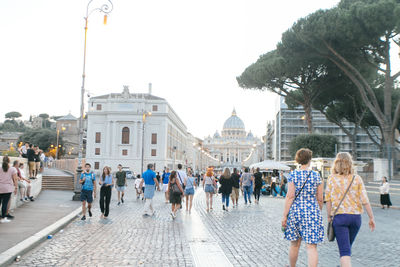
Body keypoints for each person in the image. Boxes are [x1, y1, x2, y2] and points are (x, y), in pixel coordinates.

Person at [325, 152, 375, 267]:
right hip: (355, 218)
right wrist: (371, 217)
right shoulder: (357, 178)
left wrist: (329, 216)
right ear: (350, 163)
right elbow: (365, 200)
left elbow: (328, 200)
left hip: (340, 217)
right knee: (347, 247)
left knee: (345, 251)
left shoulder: (332, 179)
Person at [281, 148, 324, 267]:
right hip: (312, 211)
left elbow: (290, 196)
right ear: (309, 160)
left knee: (294, 244)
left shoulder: (293, 174)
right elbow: (320, 198)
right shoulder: (316, 175)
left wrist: (285, 215)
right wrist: (317, 210)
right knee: (311, 247)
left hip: (296, 211)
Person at [0, 156, 18, 223]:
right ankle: (3, 218)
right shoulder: (12, 169)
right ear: (9, 161)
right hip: (7, 188)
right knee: (5, 203)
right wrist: (16, 187)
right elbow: (15, 179)